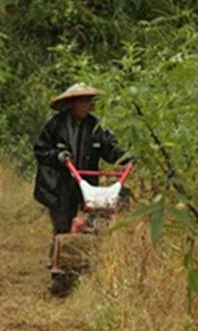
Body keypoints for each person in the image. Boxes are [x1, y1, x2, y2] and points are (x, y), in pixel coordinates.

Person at [33, 83, 130, 244]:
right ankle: (59, 256)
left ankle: (83, 256)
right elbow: (40, 150)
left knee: (93, 221)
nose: (87, 106)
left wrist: (128, 156)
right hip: (59, 183)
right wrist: (58, 156)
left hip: (85, 183)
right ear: (73, 103)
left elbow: (110, 150)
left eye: (89, 102)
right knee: (62, 223)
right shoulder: (55, 124)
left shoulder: (96, 126)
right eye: (83, 102)